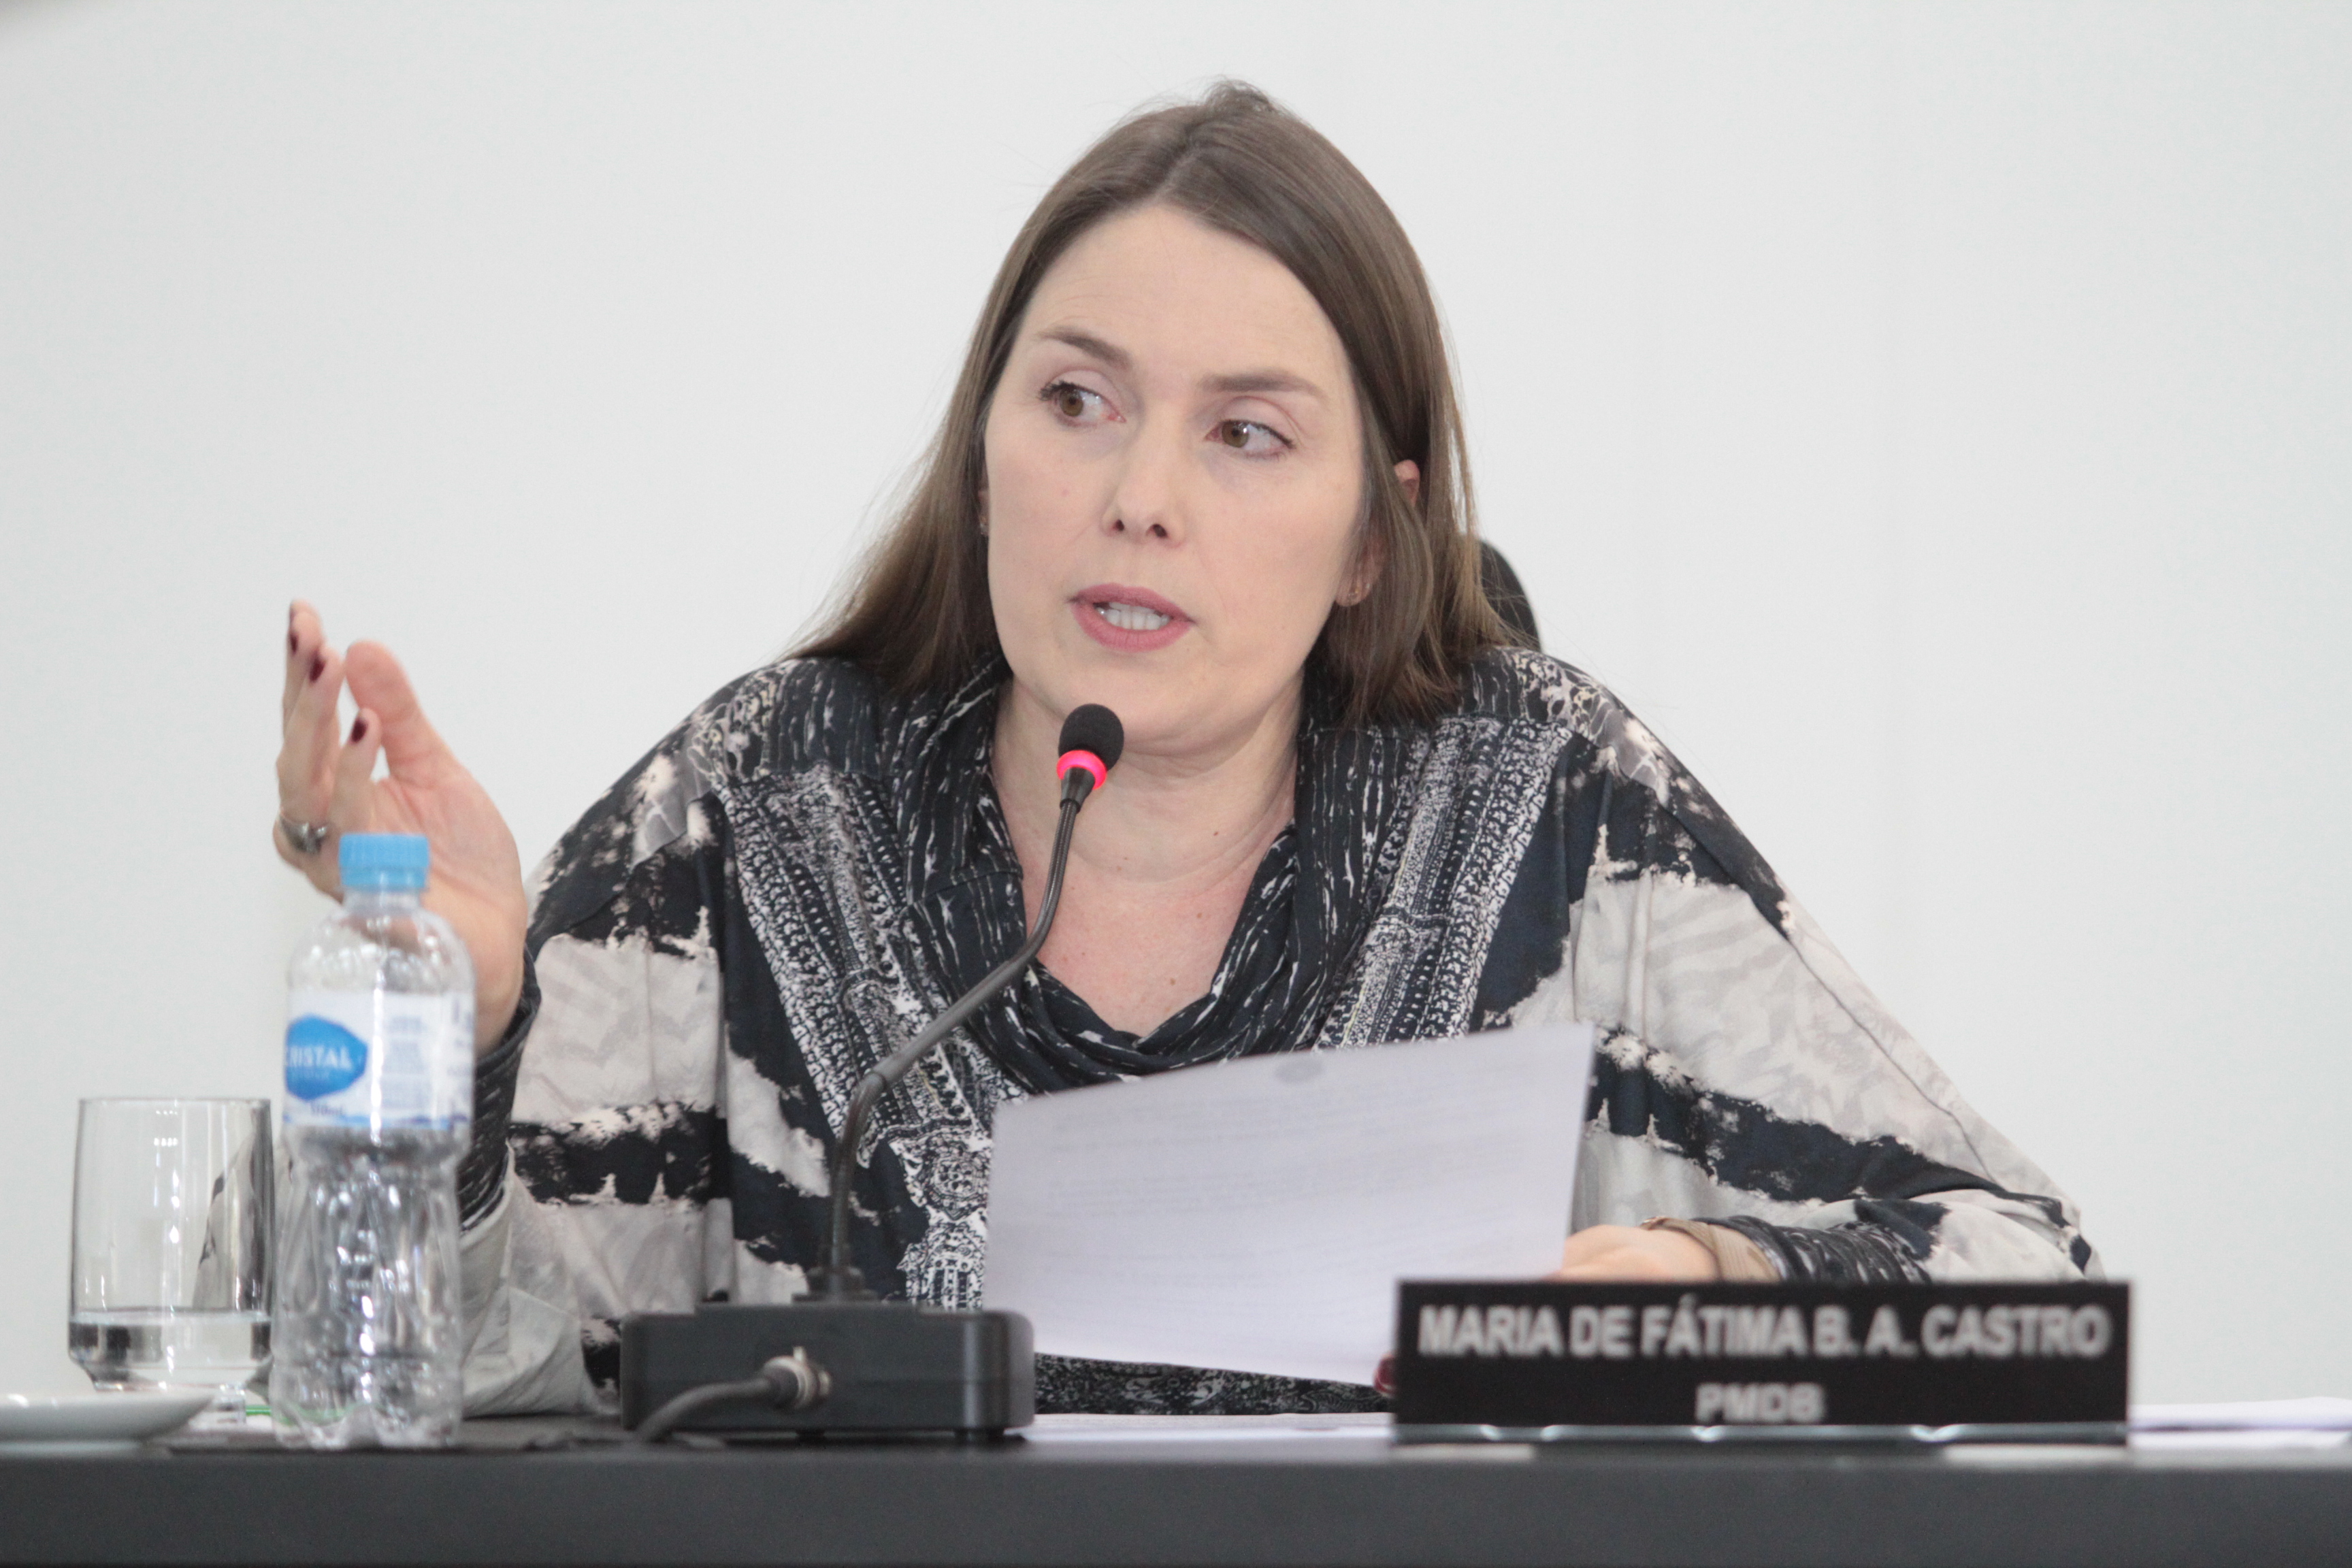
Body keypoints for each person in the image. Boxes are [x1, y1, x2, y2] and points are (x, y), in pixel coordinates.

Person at [272, 83, 2093, 1417]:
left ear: (1373, 536)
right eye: (1078, 402)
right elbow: (449, 1382)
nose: (1139, 496)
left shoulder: (1551, 807)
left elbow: (2028, 1283)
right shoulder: (761, 809)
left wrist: (1703, 1273)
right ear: (984, 456)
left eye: (1247, 436)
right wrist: (456, 1032)